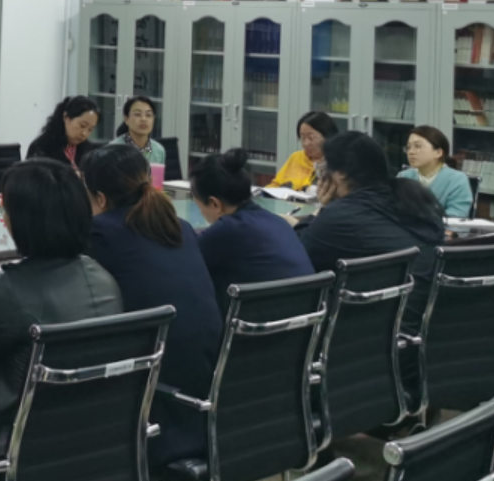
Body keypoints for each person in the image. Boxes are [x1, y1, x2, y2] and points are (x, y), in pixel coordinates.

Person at [0, 159, 123, 454]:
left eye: (6, 210)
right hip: (87, 443)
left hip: (4, 451)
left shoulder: (7, 291)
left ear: (22, 221)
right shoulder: (102, 278)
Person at [82, 146, 220, 464]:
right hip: (204, 393)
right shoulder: (180, 227)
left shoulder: (100, 232)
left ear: (99, 198)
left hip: (153, 403)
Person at [294, 132, 445, 331]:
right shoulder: (413, 199)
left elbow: (297, 255)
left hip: (375, 332)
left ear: (340, 173)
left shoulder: (342, 216)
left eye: (325, 168)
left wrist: (321, 210)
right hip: (422, 330)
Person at [189, 148, 313, 311]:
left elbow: (185, 264)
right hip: (307, 320)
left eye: (198, 205)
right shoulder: (276, 221)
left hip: (261, 323)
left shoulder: (228, 229)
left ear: (215, 204)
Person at [398, 125, 473, 218]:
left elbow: (456, 217)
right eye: (408, 147)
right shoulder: (403, 177)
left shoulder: (457, 180)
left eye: (417, 146)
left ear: (438, 152)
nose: (411, 152)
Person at [26, 95, 101, 171]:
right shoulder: (41, 148)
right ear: (66, 117)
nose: (84, 133)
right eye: (82, 125)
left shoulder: (88, 151)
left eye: (90, 129)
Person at [268, 111, 337, 191]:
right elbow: (275, 185)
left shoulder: (337, 163)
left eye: (311, 138)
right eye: (302, 138)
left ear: (328, 136)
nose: (306, 143)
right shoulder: (296, 157)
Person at [110, 96, 167, 168]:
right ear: (126, 119)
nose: (143, 119)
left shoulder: (159, 150)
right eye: (137, 114)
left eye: (148, 115)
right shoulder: (113, 149)